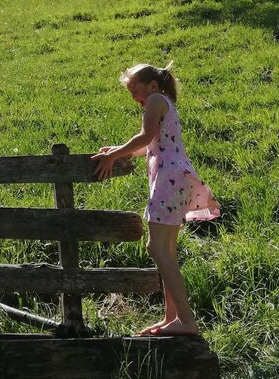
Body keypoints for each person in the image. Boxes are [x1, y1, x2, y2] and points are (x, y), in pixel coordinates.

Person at [92, 62, 219, 337]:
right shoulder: (164, 102)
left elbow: (145, 136)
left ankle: (186, 320)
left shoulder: (155, 100)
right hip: (177, 179)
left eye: (135, 90)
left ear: (152, 85)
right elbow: (151, 143)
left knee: (156, 247)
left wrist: (112, 156)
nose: (134, 97)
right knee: (167, 250)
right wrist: (119, 150)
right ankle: (172, 318)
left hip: (168, 180)